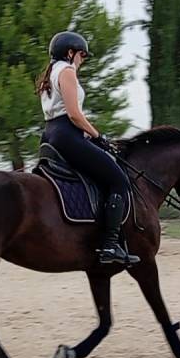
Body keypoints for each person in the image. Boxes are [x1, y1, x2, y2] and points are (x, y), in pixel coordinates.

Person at [36, 31, 139, 266]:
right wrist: (98, 135)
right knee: (119, 180)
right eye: (81, 55)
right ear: (70, 53)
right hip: (67, 135)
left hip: (51, 134)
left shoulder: (50, 73)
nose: (82, 60)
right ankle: (110, 245)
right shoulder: (67, 71)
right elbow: (74, 114)